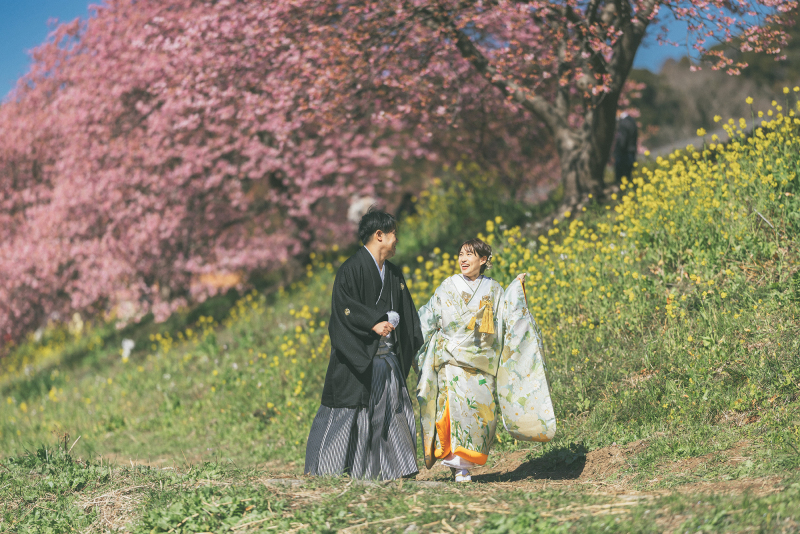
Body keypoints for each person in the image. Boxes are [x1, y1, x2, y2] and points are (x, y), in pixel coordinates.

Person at [416, 238, 556, 482]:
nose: (463, 259)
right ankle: (459, 466)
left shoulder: (494, 290)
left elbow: (507, 318)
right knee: (453, 410)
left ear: (483, 260)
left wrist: (516, 290)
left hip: (483, 364)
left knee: (480, 416)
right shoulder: (447, 286)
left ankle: (463, 464)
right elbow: (428, 316)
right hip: (452, 360)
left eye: (469, 254)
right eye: (461, 254)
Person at [305, 208, 423, 480]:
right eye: (394, 234)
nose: (397, 240)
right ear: (379, 235)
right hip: (358, 360)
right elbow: (343, 312)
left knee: (393, 413)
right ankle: (329, 471)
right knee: (348, 413)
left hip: (387, 361)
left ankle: (398, 471)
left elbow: (408, 317)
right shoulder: (351, 270)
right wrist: (373, 322)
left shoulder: (393, 274)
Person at [614, 112, 638, 184]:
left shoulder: (623, 123)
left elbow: (622, 141)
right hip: (631, 152)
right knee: (628, 176)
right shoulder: (631, 120)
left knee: (622, 179)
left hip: (624, 154)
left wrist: (616, 152)